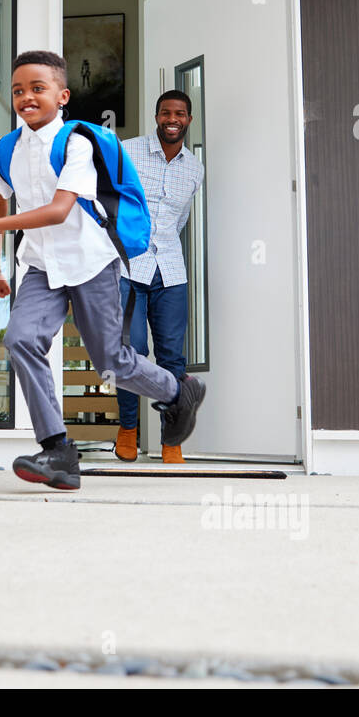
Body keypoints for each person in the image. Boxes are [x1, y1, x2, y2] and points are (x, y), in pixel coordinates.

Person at [0, 51, 202, 490]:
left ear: (62, 95)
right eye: (18, 90)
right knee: (20, 339)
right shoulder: (5, 149)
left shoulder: (77, 143)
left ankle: (175, 391)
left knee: (111, 361)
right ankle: (58, 450)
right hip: (39, 265)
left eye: (38, 88)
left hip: (90, 262)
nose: (26, 97)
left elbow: (58, 210)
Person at [114, 91, 206, 463]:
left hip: (170, 271)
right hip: (127, 268)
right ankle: (128, 429)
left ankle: (172, 439)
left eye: (180, 114)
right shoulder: (128, 151)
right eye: (166, 113)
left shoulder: (195, 169)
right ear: (156, 116)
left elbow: (180, 220)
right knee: (129, 351)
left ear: (188, 120)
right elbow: (108, 198)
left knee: (172, 358)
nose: (173, 119)